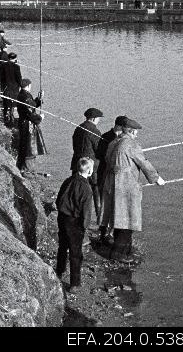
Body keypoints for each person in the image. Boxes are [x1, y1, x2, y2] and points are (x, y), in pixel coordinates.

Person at [99, 117, 166, 262]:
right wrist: (156, 178)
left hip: (112, 185)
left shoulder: (113, 143)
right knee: (127, 219)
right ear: (132, 131)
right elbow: (143, 162)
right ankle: (119, 254)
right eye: (136, 132)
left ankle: (126, 250)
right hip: (126, 187)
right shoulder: (131, 144)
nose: (137, 135)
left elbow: (107, 160)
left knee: (118, 218)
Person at [55, 157, 95, 293]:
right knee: (75, 253)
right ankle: (74, 283)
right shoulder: (86, 188)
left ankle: (59, 271)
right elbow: (87, 211)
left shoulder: (68, 181)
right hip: (75, 221)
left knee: (62, 246)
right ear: (89, 171)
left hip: (63, 217)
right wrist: (84, 226)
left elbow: (59, 198)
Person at [94, 115, 127, 241]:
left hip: (115, 176)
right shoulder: (107, 137)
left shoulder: (120, 139)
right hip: (106, 174)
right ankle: (104, 231)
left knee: (115, 203)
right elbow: (100, 155)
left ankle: (111, 231)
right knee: (106, 202)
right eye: (125, 127)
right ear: (119, 126)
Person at [71, 107, 103, 218]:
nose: (99, 121)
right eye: (99, 118)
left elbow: (74, 145)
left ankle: (76, 213)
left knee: (77, 188)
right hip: (91, 166)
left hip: (77, 163)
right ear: (94, 118)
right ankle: (99, 217)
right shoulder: (95, 131)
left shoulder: (78, 128)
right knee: (96, 189)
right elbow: (99, 149)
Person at [15, 78, 45, 176]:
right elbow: (30, 113)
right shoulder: (25, 97)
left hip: (24, 123)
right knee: (29, 147)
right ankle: (26, 169)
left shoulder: (22, 95)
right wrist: (40, 117)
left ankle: (22, 167)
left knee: (25, 145)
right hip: (27, 125)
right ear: (28, 86)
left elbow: (31, 106)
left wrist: (38, 99)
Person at [0, 51, 22, 125]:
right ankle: (13, 119)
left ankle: (6, 118)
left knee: (6, 103)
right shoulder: (17, 67)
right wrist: (21, 86)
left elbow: (0, 77)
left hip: (6, 87)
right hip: (14, 88)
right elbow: (19, 78)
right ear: (15, 59)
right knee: (14, 104)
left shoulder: (3, 66)